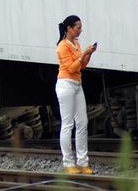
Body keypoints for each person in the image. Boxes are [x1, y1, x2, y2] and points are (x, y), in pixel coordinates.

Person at [55, 14, 97, 174]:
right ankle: (68, 163)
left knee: (82, 122)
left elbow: (81, 66)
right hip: (65, 86)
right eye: (78, 27)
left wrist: (89, 53)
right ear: (69, 29)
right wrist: (83, 53)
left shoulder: (76, 44)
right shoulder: (62, 46)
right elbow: (71, 68)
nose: (80, 30)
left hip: (77, 85)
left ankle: (82, 162)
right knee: (67, 124)